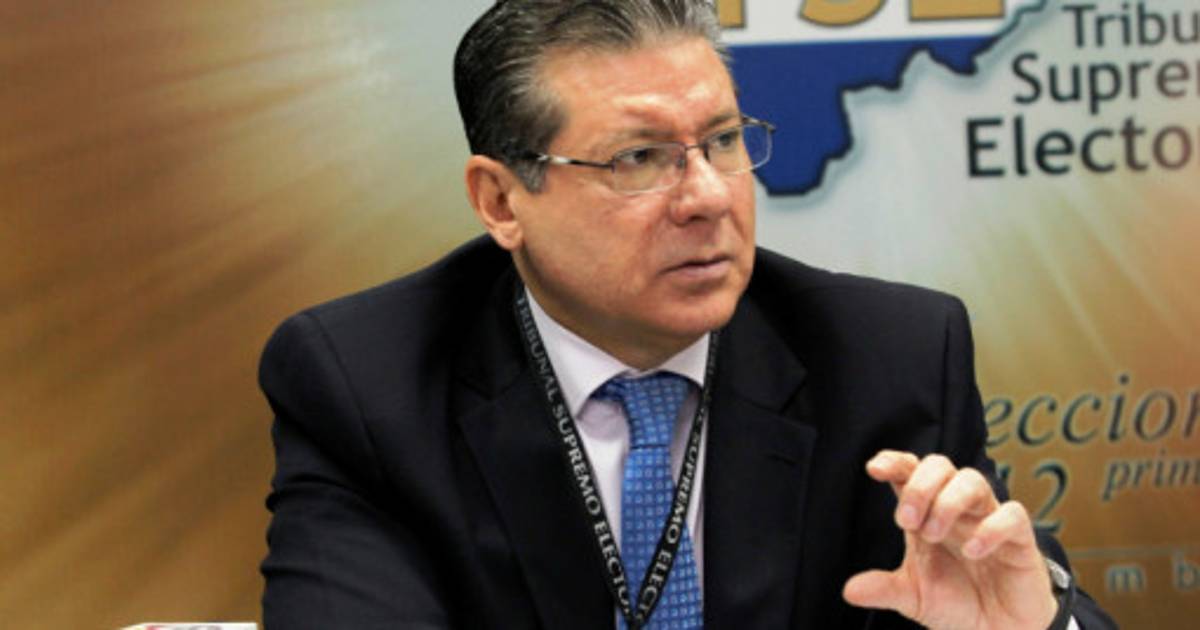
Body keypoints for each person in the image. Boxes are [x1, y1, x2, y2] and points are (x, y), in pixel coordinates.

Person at [258, 1, 1116, 628]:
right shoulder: (367, 388)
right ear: (501, 201)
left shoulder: (887, 360)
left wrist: (1034, 628)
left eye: (724, 140)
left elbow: (1008, 603)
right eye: (640, 157)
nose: (708, 196)